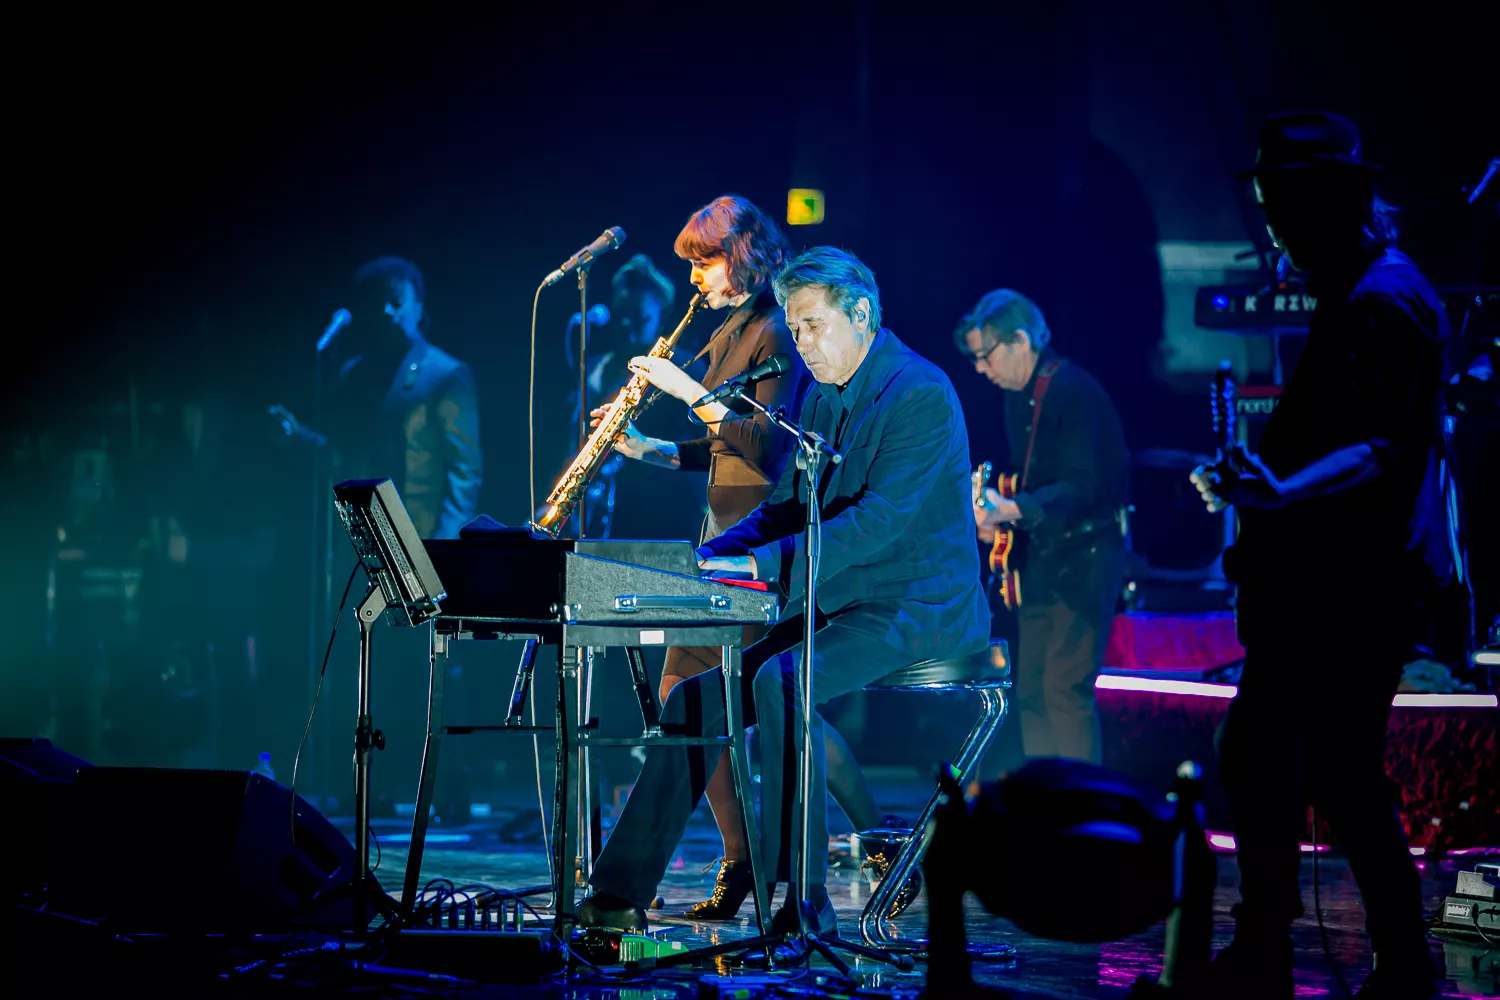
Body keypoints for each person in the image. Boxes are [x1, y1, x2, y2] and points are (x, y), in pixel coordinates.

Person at [578, 246, 989, 936]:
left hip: (918, 605)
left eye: (814, 326)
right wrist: (705, 558)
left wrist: (760, 566)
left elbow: (878, 522)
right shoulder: (824, 397)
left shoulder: (919, 392)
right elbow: (787, 507)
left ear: (861, 315)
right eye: (795, 329)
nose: (802, 344)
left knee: (781, 679)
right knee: (698, 697)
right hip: (845, 598)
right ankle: (617, 894)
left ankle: (802, 906)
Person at [1191, 112, 1451, 1000]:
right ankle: (1346, 955)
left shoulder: (1384, 300)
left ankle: (1313, 954)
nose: (1272, 230)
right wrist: (1263, 482)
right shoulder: (1362, 293)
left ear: (1329, 202)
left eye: (1281, 209)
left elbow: (1381, 446)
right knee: (1299, 762)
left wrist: (1279, 491)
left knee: (1304, 763)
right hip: (1329, 587)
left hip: (1349, 592)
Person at [960, 289, 1127, 766]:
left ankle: (1082, 803)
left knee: (1064, 688)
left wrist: (1010, 509)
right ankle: (1045, 800)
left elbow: (1083, 486)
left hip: (1085, 561)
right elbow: (1028, 482)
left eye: (986, 355)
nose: (980, 368)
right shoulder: (1020, 397)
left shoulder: (1074, 392)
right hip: (1041, 563)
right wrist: (1000, 522)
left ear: (1021, 339)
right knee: (1031, 688)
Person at [331, 256, 482, 539]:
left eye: (396, 301)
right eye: (377, 304)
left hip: (423, 537)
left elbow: (464, 471)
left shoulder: (445, 373)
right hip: (366, 535)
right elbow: (345, 452)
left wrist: (446, 544)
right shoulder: (355, 374)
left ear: (419, 304)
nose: (387, 312)